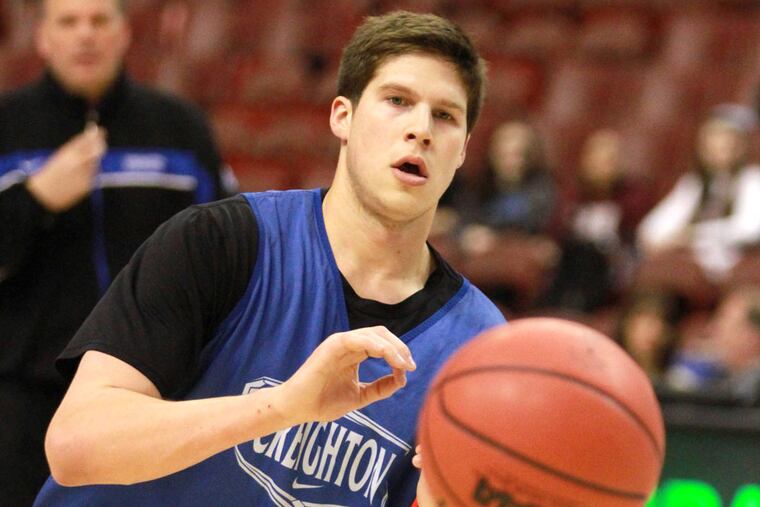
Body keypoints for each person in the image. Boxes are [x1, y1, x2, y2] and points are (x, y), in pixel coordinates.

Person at [34, 10, 504, 507]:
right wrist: (283, 406)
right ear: (342, 116)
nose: (421, 129)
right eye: (397, 101)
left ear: (463, 151)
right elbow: (76, 445)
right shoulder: (220, 241)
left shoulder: (478, 347)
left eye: (446, 115)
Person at [0, 1, 234, 504]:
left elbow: (225, 258)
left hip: (152, 394)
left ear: (124, 33)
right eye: (69, 21)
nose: (86, 35)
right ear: (43, 37)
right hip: (21, 399)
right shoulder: (6, 128)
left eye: (99, 20)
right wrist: (35, 197)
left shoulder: (181, 129)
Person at [636, 104, 760, 308]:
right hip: (687, 269)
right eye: (710, 141)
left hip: (728, 268)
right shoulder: (692, 185)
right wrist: (673, 240)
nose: (717, 149)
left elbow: (749, 228)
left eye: (725, 141)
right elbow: (650, 231)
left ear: (740, 145)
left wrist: (691, 235)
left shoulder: (753, 181)